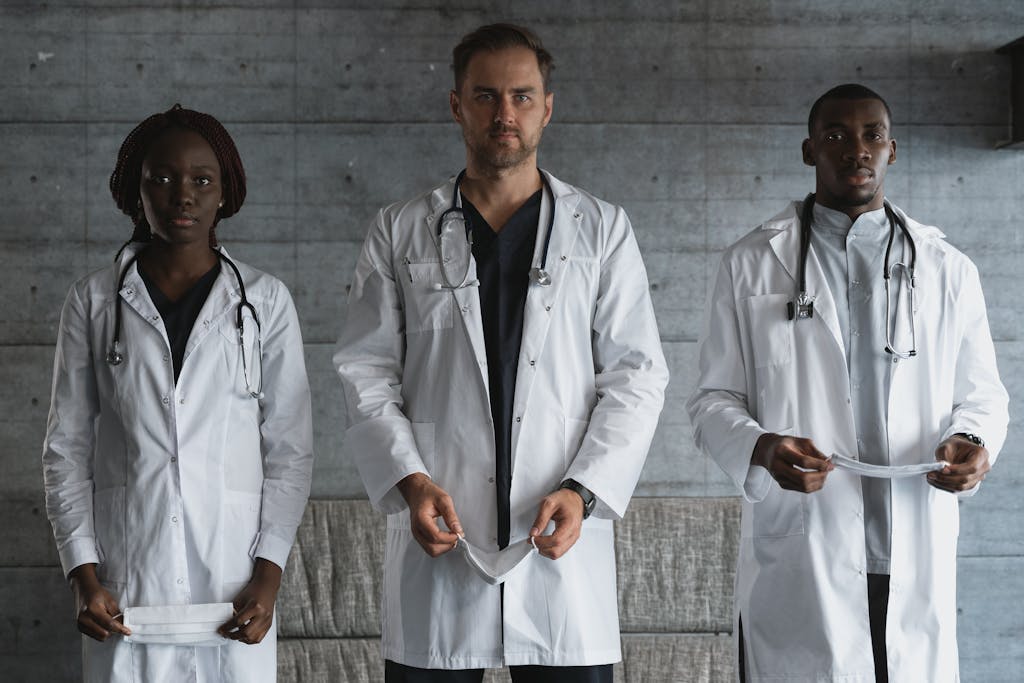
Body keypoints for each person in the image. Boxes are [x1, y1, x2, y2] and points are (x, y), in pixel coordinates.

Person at [333, 23, 668, 682]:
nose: (504, 113)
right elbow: (365, 370)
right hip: (441, 531)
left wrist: (584, 490)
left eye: (522, 96)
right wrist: (410, 479)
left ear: (548, 107)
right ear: (457, 105)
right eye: (485, 96)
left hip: (559, 541)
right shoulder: (400, 230)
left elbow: (637, 376)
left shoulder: (602, 230)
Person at [687, 83, 1009, 682]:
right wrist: (761, 447)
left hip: (912, 535)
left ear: (893, 150)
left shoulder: (948, 269)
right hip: (806, 544)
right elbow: (713, 400)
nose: (855, 149)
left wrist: (973, 439)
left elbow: (984, 394)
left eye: (872, 135)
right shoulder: (751, 263)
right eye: (835, 135)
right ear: (809, 150)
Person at [42, 104, 314, 682]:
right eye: (161, 178)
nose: (182, 195)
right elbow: (65, 451)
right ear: (135, 190)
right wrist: (83, 576)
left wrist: (269, 576)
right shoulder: (93, 303)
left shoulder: (265, 303)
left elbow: (290, 451)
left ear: (225, 191)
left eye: (202, 180)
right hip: (127, 592)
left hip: (233, 590)